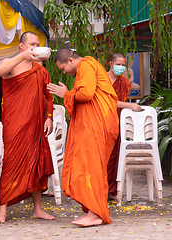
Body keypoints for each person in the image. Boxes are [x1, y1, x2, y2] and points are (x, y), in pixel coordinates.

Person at [47, 48, 119, 227]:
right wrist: (70, 92)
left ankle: (95, 214)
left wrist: (66, 94)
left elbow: (86, 94)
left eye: (63, 68)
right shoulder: (87, 66)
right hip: (95, 122)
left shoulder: (86, 64)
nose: (64, 72)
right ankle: (92, 211)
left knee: (92, 165)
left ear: (70, 60)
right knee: (89, 164)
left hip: (97, 123)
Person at [0, 31, 55, 223]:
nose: (35, 47)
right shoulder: (12, 63)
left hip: (36, 125)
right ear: (22, 46)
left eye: (38, 44)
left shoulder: (40, 70)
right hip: (15, 124)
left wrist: (49, 117)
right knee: (11, 162)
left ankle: (38, 209)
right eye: (32, 44)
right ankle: (2, 211)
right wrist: (22, 57)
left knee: (36, 163)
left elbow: (48, 96)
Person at [107, 53, 142, 200]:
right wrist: (130, 105)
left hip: (117, 122)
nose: (121, 67)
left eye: (123, 65)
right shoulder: (101, 79)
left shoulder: (125, 83)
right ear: (111, 64)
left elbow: (119, 103)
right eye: (118, 64)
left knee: (115, 157)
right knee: (102, 157)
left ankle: (111, 190)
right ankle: (99, 190)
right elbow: (107, 101)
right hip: (101, 121)